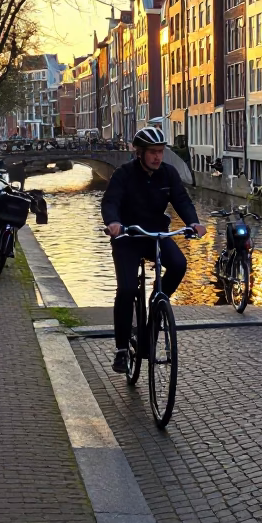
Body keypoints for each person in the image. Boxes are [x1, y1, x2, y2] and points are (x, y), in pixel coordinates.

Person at [101, 127, 206, 374]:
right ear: (140, 153)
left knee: (179, 265)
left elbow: (181, 200)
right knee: (126, 289)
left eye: (160, 152)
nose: (158, 157)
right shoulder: (123, 174)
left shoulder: (168, 174)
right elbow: (111, 201)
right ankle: (121, 349)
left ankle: (158, 301)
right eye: (153, 153)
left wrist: (193, 222)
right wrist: (113, 223)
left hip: (154, 235)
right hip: (128, 236)